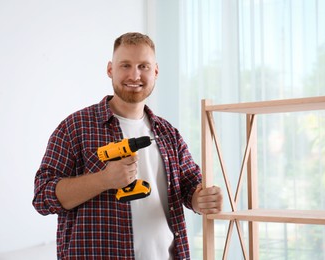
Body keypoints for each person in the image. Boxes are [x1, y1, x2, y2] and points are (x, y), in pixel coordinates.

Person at [32, 32, 223, 259]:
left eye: (143, 66)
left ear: (156, 72)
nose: (135, 75)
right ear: (110, 69)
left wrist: (201, 199)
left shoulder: (168, 133)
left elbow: (190, 184)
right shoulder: (75, 128)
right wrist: (104, 180)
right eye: (126, 65)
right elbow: (42, 197)